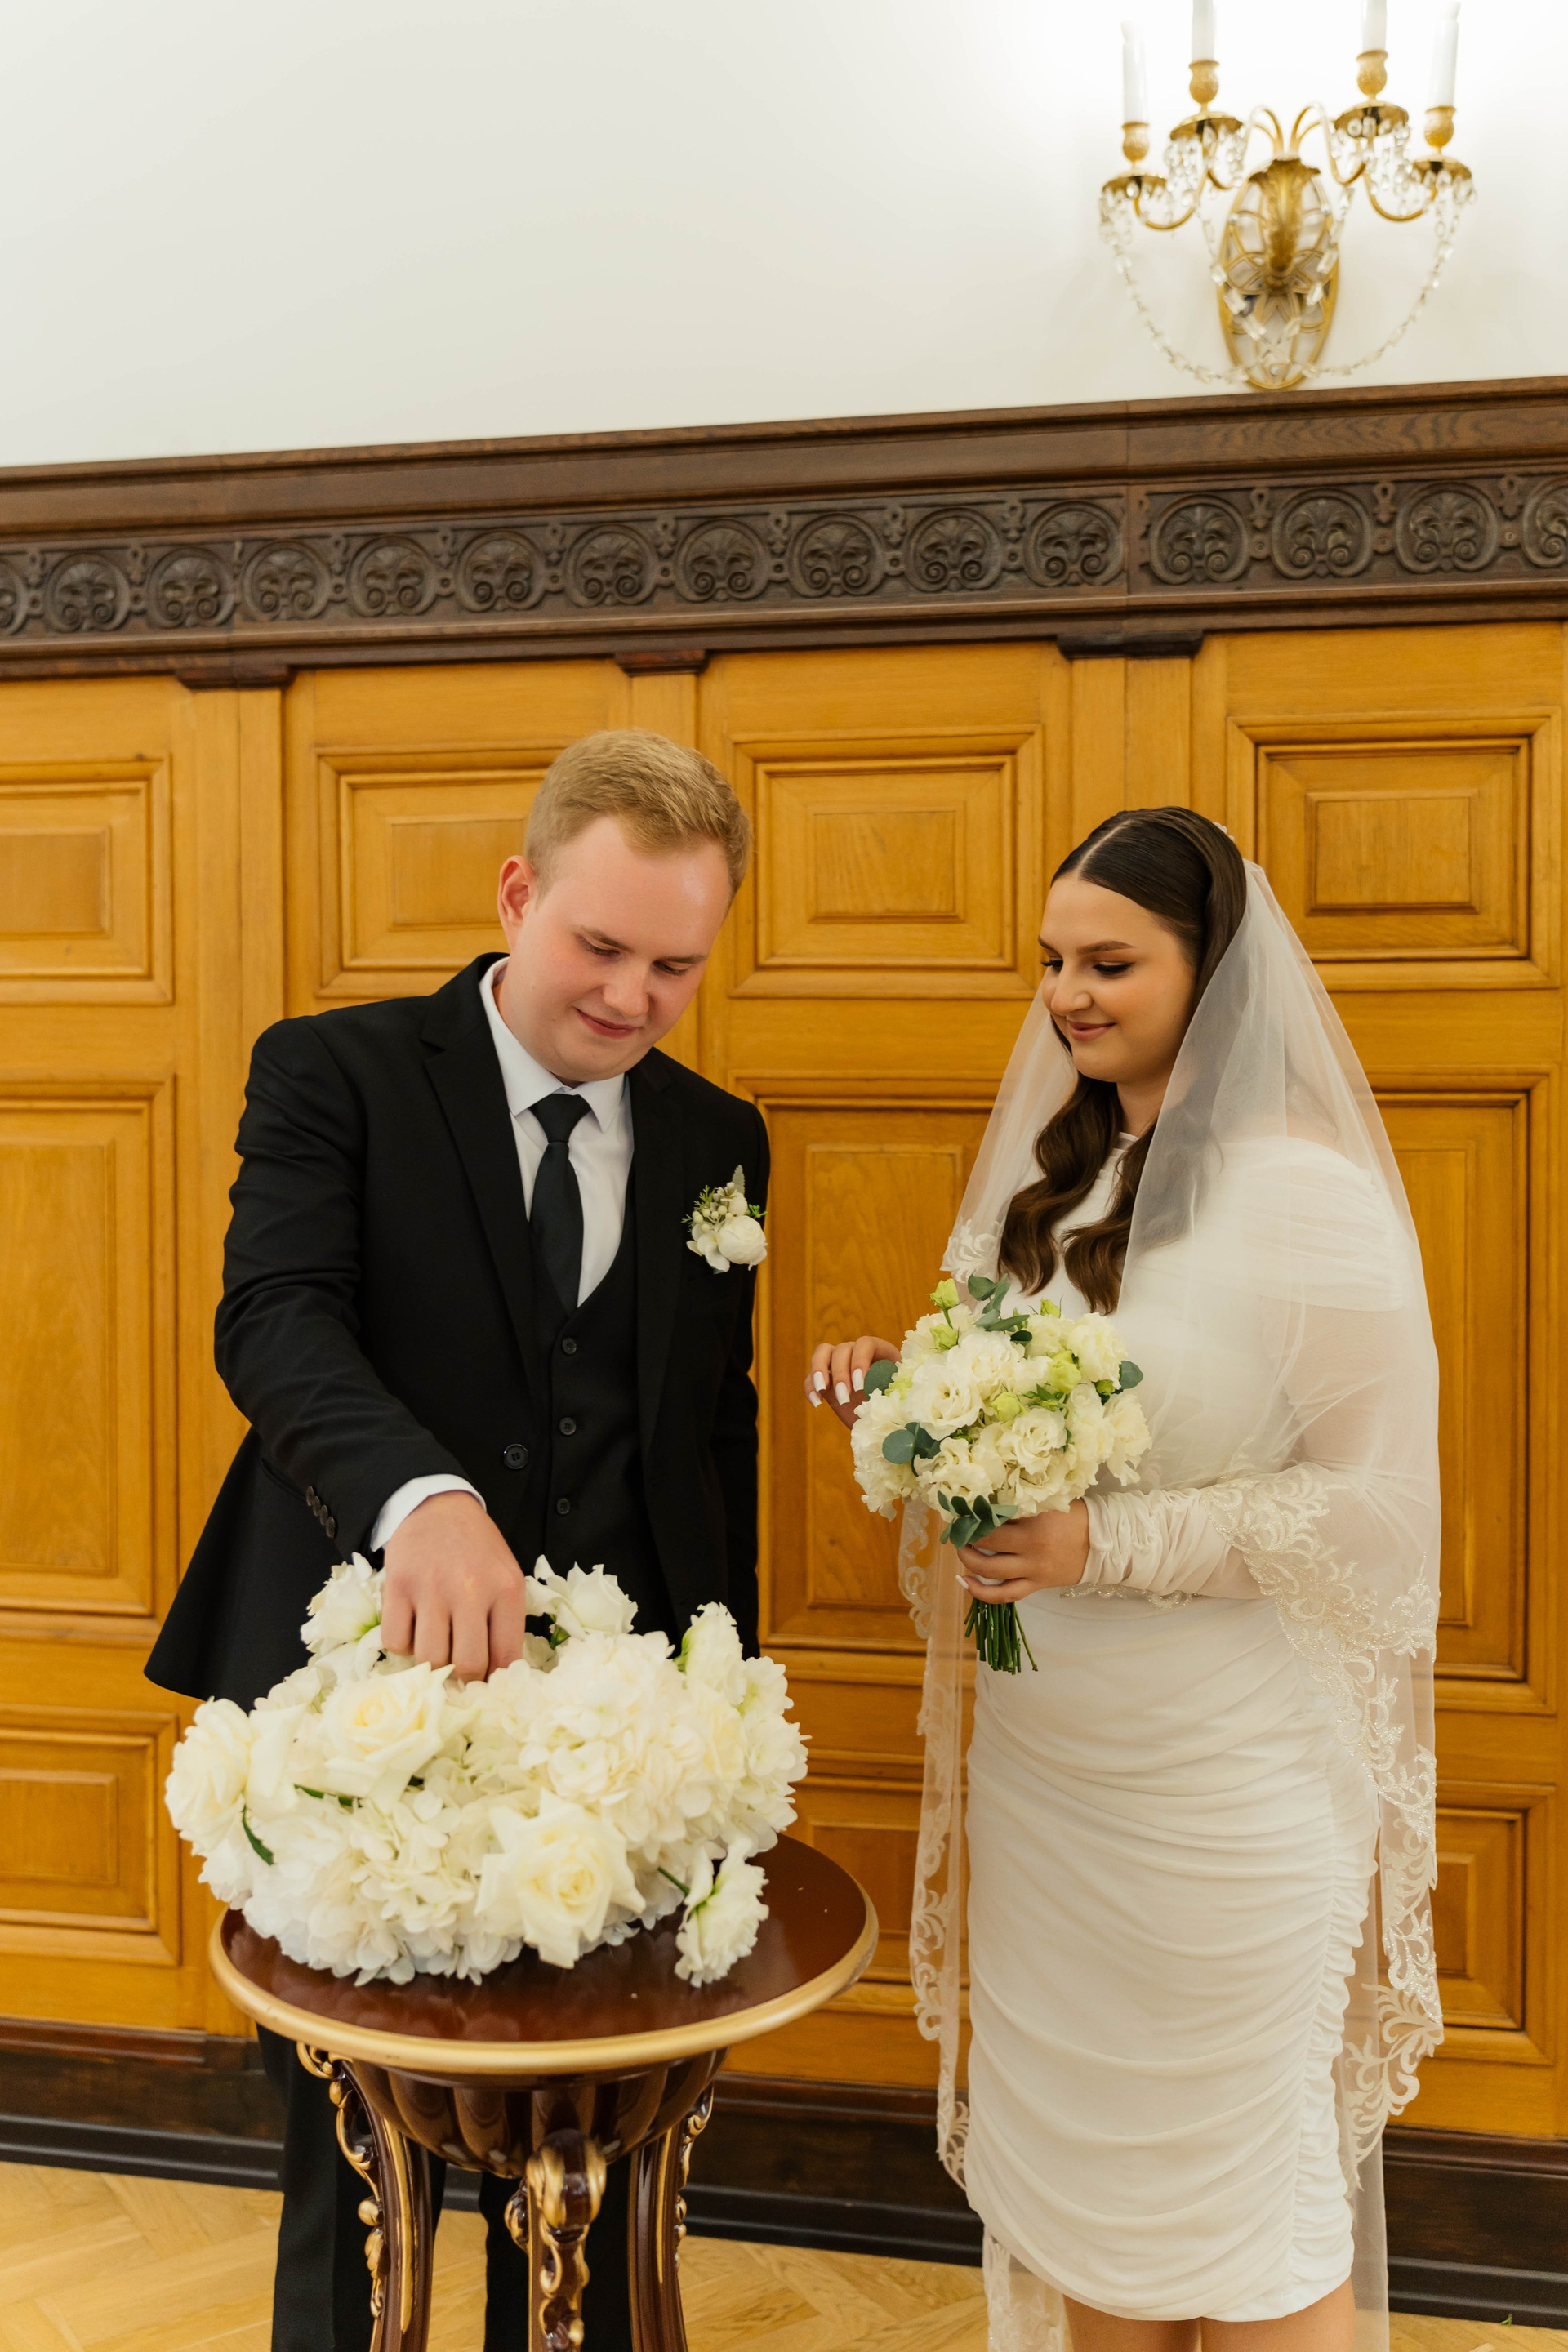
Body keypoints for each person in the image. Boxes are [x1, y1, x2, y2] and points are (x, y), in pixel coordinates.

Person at [146, 729, 768, 2352]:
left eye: (676, 966)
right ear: (517, 894)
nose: (632, 997)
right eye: (600, 946)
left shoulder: (719, 1142)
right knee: (362, 2167)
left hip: (616, 1746)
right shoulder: (333, 1072)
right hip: (355, 1718)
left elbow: (712, 1433)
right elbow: (276, 1318)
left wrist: (725, 1696)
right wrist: (421, 1499)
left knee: (603, 2164)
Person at [808, 808, 1441, 2352]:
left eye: (1110, 963)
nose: (1067, 996)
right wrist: (911, 1391)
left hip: (1224, 1783)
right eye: (1052, 963)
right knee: (1087, 2191)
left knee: (1250, 2208)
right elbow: (1011, 1410)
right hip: (1053, 1776)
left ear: (1211, 971)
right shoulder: (1060, 1186)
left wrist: (1111, 1545)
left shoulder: (1305, 1197)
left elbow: (1378, 1509)